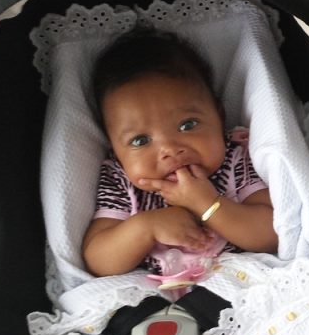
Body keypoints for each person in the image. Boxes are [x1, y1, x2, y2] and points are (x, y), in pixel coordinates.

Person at [82, 26, 277, 281]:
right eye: (140, 140)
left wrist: (208, 205)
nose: (169, 149)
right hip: (153, 298)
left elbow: (272, 233)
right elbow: (98, 260)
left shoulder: (235, 159)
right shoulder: (121, 181)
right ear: (115, 149)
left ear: (219, 117)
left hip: (242, 282)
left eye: (188, 125)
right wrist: (146, 227)